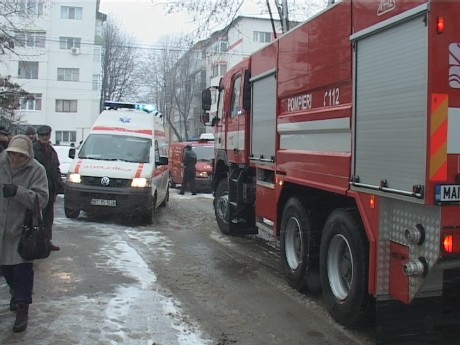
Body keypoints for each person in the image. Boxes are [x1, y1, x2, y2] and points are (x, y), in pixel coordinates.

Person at [0, 135, 49, 332]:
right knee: (7, 271)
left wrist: (18, 192)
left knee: (22, 272)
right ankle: (15, 294)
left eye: (20, 156)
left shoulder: (37, 170)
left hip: (22, 229)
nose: (15, 159)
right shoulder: (1, 164)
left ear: (27, 155)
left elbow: (42, 199)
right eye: (12, 155)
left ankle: (22, 309)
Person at [33, 125, 63, 251]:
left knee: (48, 218)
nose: (45, 137)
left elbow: (55, 168)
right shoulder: (34, 150)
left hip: (50, 190)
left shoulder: (51, 150)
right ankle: (35, 242)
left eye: (47, 135)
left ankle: (46, 241)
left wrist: (59, 184)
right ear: (38, 136)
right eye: (42, 136)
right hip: (38, 188)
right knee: (36, 218)